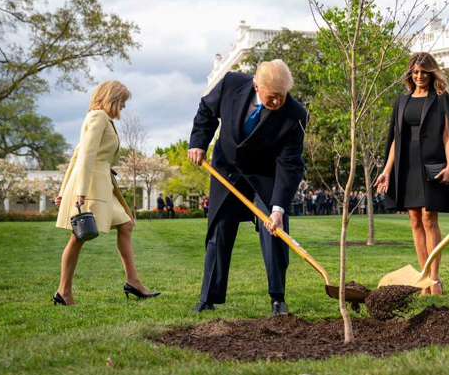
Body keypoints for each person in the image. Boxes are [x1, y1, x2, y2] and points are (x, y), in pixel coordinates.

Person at [188, 59, 307, 315]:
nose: (277, 103)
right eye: (272, 97)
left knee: (275, 233)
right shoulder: (231, 84)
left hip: (266, 176)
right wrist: (198, 142)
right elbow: (207, 111)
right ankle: (208, 298)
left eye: (282, 97)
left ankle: (278, 299)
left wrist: (277, 209)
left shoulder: (295, 115)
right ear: (256, 85)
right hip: (227, 170)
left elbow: (290, 163)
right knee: (219, 231)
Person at [53, 81, 159, 306]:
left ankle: (133, 281)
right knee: (79, 235)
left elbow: (76, 154)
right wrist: (78, 191)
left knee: (126, 224)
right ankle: (63, 291)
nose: (123, 107)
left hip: (102, 184)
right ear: (113, 98)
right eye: (122, 102)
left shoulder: (102, 118)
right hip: (92, 185)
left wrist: (63, 190)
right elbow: (84, 155)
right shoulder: (98, 117)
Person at [375, 52, 449, 296]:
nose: (419, 76)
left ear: (431, 72)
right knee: (414, 220)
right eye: (415, 72)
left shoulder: (440, 98)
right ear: (410, 74)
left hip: (431, 163)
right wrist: (386, 171)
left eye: (423, 72)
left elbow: (447, 135)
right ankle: (423, 278)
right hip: (406, 165)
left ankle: (434, 279)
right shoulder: (402, 100)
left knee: (429, 219)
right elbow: (395, 139)